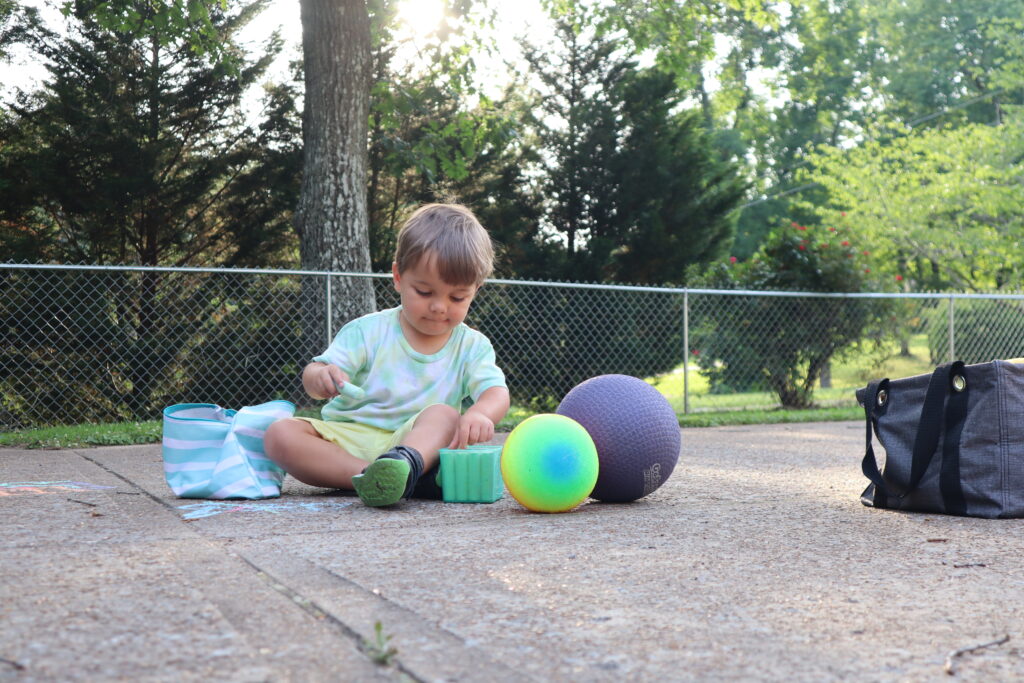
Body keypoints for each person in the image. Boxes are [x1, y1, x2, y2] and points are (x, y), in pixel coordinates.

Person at [264, 203, 510, 507]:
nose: (439, 306)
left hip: (418, 445)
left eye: (457, 297)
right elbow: (314, 377)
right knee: (279, 434)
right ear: (397, 277)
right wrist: (321, 376)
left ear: (476, 290)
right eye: (424, 292)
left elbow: (495, 391)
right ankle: (375, 477)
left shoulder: (471, 345)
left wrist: (480, 413)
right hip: (350, 439)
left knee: (445, 415)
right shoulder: (368, 331)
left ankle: (403, 469)